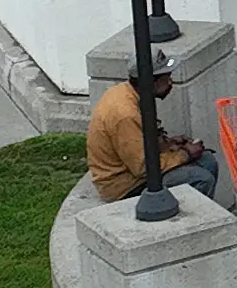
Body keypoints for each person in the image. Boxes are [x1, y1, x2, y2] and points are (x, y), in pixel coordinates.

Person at [81, 73, 219, 206]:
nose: (170, 83)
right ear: (151, 82)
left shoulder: (127, 92)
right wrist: (185, 154)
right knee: (202, 179)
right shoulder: (125, 115)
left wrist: (167, 143)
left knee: (207, 160)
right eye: (166, 79)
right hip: (124, 185)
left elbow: (138, 143)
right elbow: (143, 168)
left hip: (133, 171)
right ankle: (185, 226)